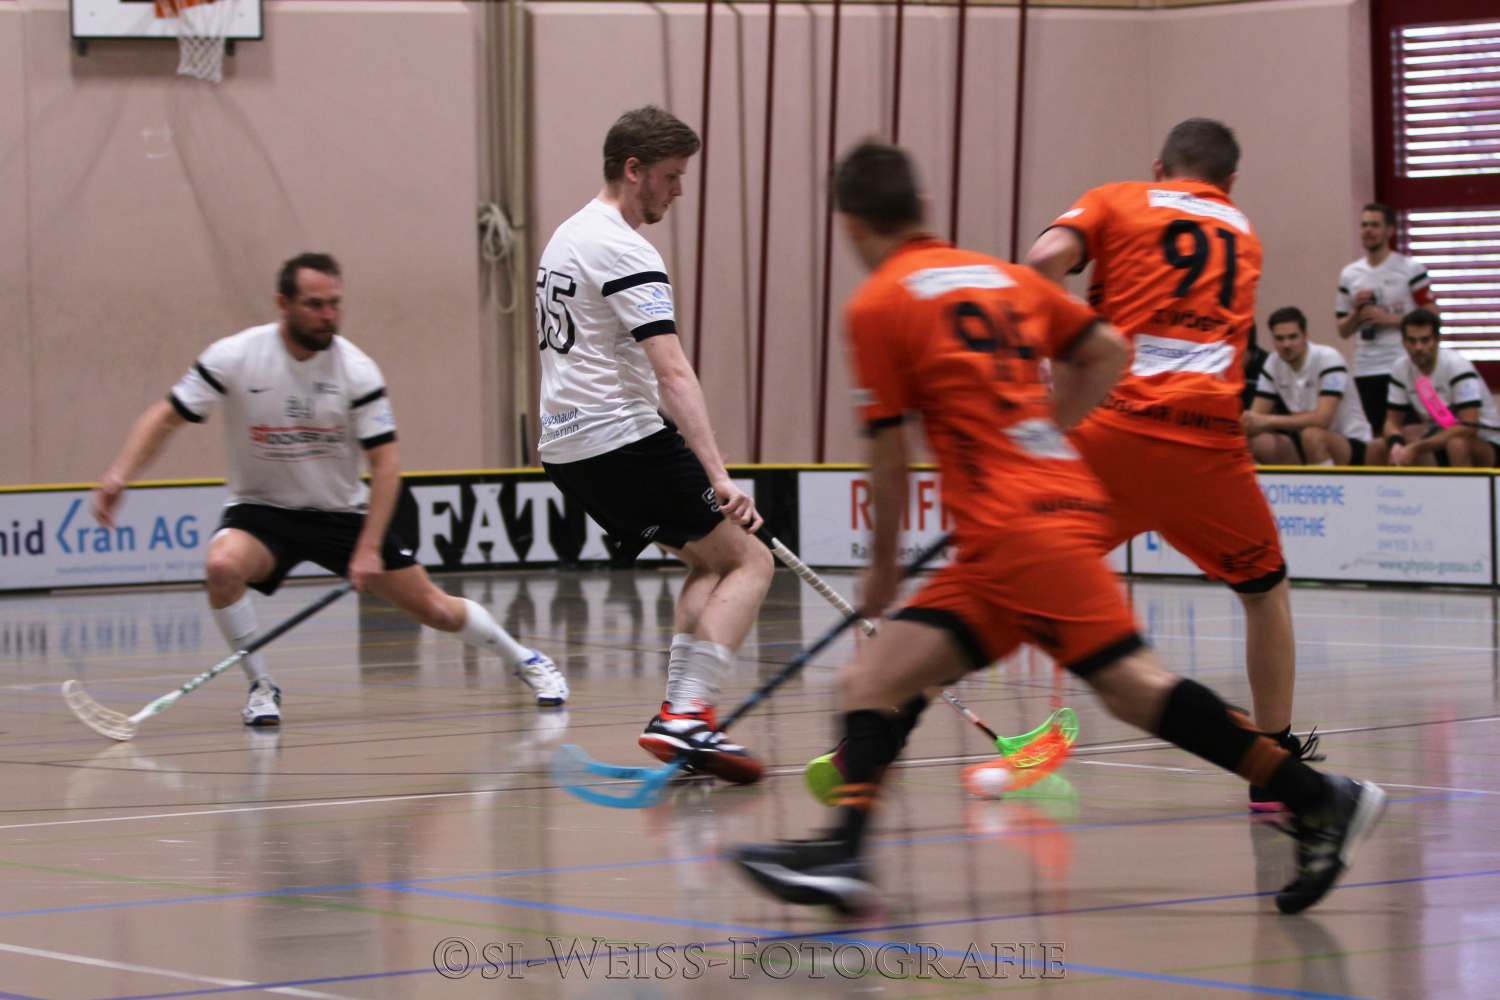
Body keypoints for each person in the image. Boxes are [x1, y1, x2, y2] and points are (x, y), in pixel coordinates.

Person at [730, 142, 1384, 918]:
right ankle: (843, 852)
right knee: (873, 680)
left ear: (850, 224)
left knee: (1134, 689)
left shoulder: (878, 303)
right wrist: (1045, 429)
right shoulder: (995, 277)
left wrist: (879, 573)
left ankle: (1318, 797)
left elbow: (889, 457)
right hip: (1041, 512)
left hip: (1021, 531)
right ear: (923, 208)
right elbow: (1104, 350)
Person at [91, 253, 567, 726]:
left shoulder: (357, 371)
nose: (328, 315)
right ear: (283, 304)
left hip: (342, 515)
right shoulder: (235, 357)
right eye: (314, 305)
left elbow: (386, 464)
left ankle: (526, 660)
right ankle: (261, 687)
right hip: (261, 510)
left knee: (436, 610)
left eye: (335, 304)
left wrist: (368, 548)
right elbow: (166, 416)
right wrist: (118, 477)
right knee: (221, 565)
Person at [1025, 119, 1311, 810]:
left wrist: (1052, 357)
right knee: (1264, 592)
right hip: (1207, 445)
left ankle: (885, 729)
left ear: (1159, 167)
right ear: (1229, 180)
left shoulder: (1116, 199)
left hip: (1109, 432)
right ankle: (1274, 764)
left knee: (1017, 577)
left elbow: (1042, 261)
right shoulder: (1243, 231)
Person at [535, 107, 774, 784]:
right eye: (671, 176)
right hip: (619, 435)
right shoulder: (624, 248)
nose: (678, 189)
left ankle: (677, 714)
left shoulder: (567, 233)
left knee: (708, 562)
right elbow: (671, 371)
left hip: (567, 447)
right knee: (751, 561)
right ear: (633, 170)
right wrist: (719, 475)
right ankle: (689, 714)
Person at [1335, 203, 1436, 433]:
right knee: (1375, 435)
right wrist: (1357, 313)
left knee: (1411, 430)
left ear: (1390, 230)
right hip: (1365, 368)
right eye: (1364, 225)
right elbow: (1342, 330)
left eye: (1374, 225)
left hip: (1404, 364)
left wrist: (1388, 318)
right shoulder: (1350, 274)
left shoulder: (1410, 269)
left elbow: (1432, 315)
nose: (1368, 230)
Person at [1366, 309, 1500, 468]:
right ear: (1403, 342)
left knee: (1456, 444)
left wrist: (1417, 447)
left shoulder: (1457, 365)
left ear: (1437, 339)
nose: (1418, 347)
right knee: (1377, 447)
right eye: (1412, 340)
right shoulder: (1400, 368)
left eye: (1425, 340)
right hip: (1438, 439)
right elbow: (1391, 421)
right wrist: (1396, 443)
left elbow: (1468, 427)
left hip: (1484, 442)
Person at [1244, 306, 1372, 466]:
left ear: (1305, 335)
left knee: (1313, 436)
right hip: (1304, 440)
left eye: (1292, 337)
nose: (1286, 344)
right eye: (1279, 338)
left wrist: (1268, 421)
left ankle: (1323, 482)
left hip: (1350, 440)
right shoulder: (1273, 363)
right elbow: (1255, 419)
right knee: (1257, 441)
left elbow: (1322, 419)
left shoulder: (1328, 358)